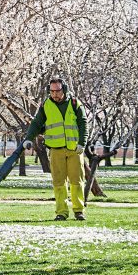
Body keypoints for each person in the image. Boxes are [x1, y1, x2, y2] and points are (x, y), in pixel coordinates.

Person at [23, 77, 88, 221]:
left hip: (74, 149)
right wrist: (29, 138)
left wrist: (82, 143)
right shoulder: (46, 105)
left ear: (64, 89)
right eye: (52, 91)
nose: (55, 94)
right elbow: (36, 123)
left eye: (57, 91)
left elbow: (83, 124)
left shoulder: (75, 104)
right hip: (55, 149)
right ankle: (61, 212)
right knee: (58, 183)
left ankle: (79, 211)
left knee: (77, 181)